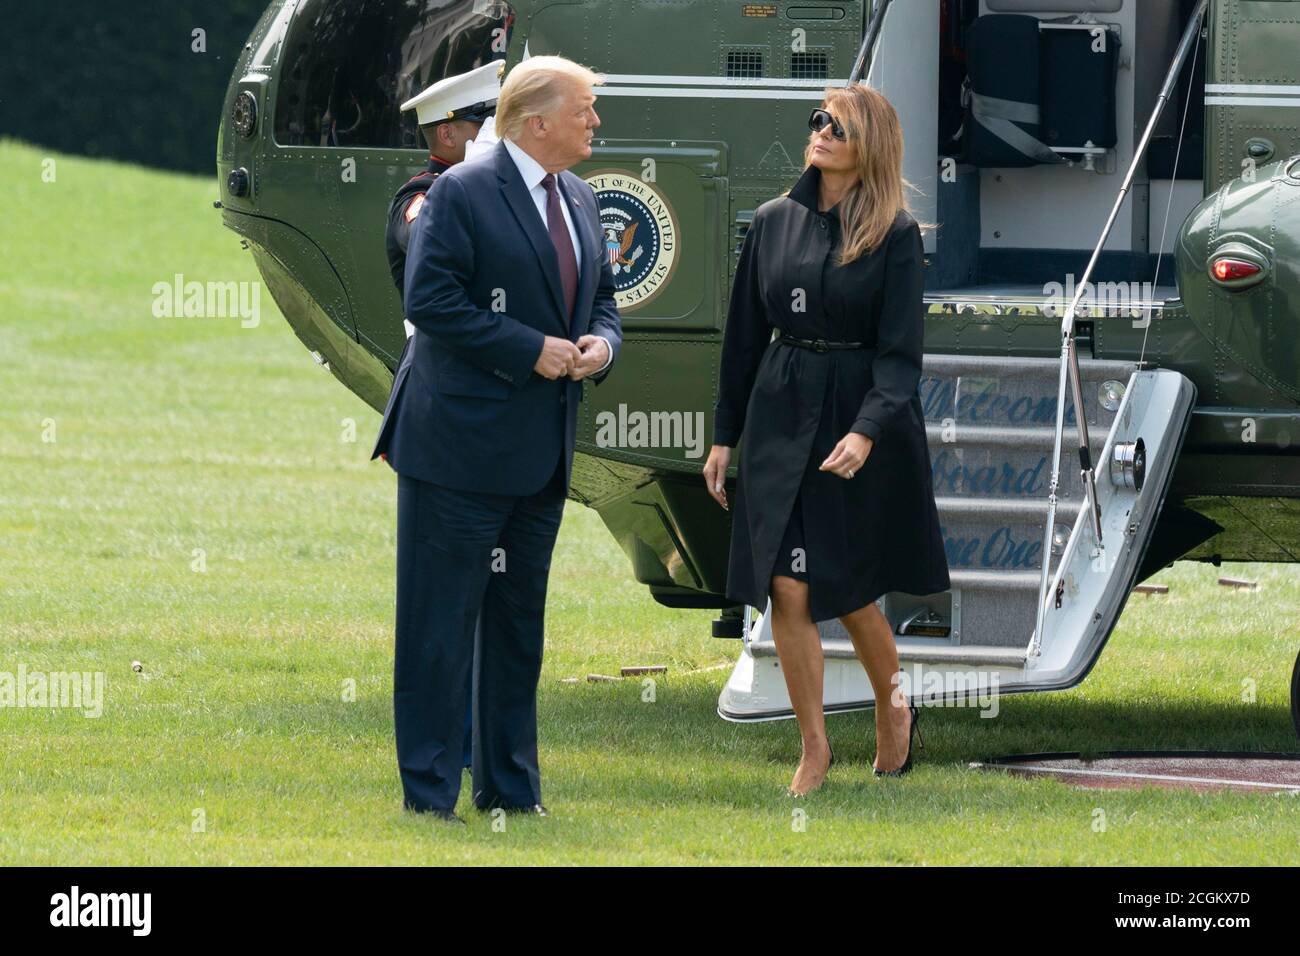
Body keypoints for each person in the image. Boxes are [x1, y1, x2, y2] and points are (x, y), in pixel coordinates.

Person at [371, 55, 622, 822]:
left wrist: (601, 348)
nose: (596, 122)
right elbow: (432, 300)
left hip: (538, 453)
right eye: (585, 109)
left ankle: (512, 789)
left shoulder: (579, 197)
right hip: (457, 447)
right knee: (439, 629)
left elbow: (604, 305)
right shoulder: (460, 191)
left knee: (517, 632)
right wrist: (531, 348)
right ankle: (430, 796)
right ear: (537, 120)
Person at [702, 84, 950, 796]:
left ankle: (892, 709)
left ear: (867, 140)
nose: (820, 132)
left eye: (835, 125)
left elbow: (901, 357)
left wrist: (867, 432)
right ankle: (814, 748)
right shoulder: (773, 221)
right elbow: (743, 339)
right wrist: (725, 437)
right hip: (781, 409)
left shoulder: (897, 235)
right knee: (786, 586)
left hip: (855, 410)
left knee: (850, 592)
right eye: (817, 122)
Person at [375, 61, 503, 771]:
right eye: (487, 126)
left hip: (499, 417)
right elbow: (432, 259)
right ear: (451, 133)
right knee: (443, 600)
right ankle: (439, 758)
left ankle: (487, 753)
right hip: (443, 412)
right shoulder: (423, 197)